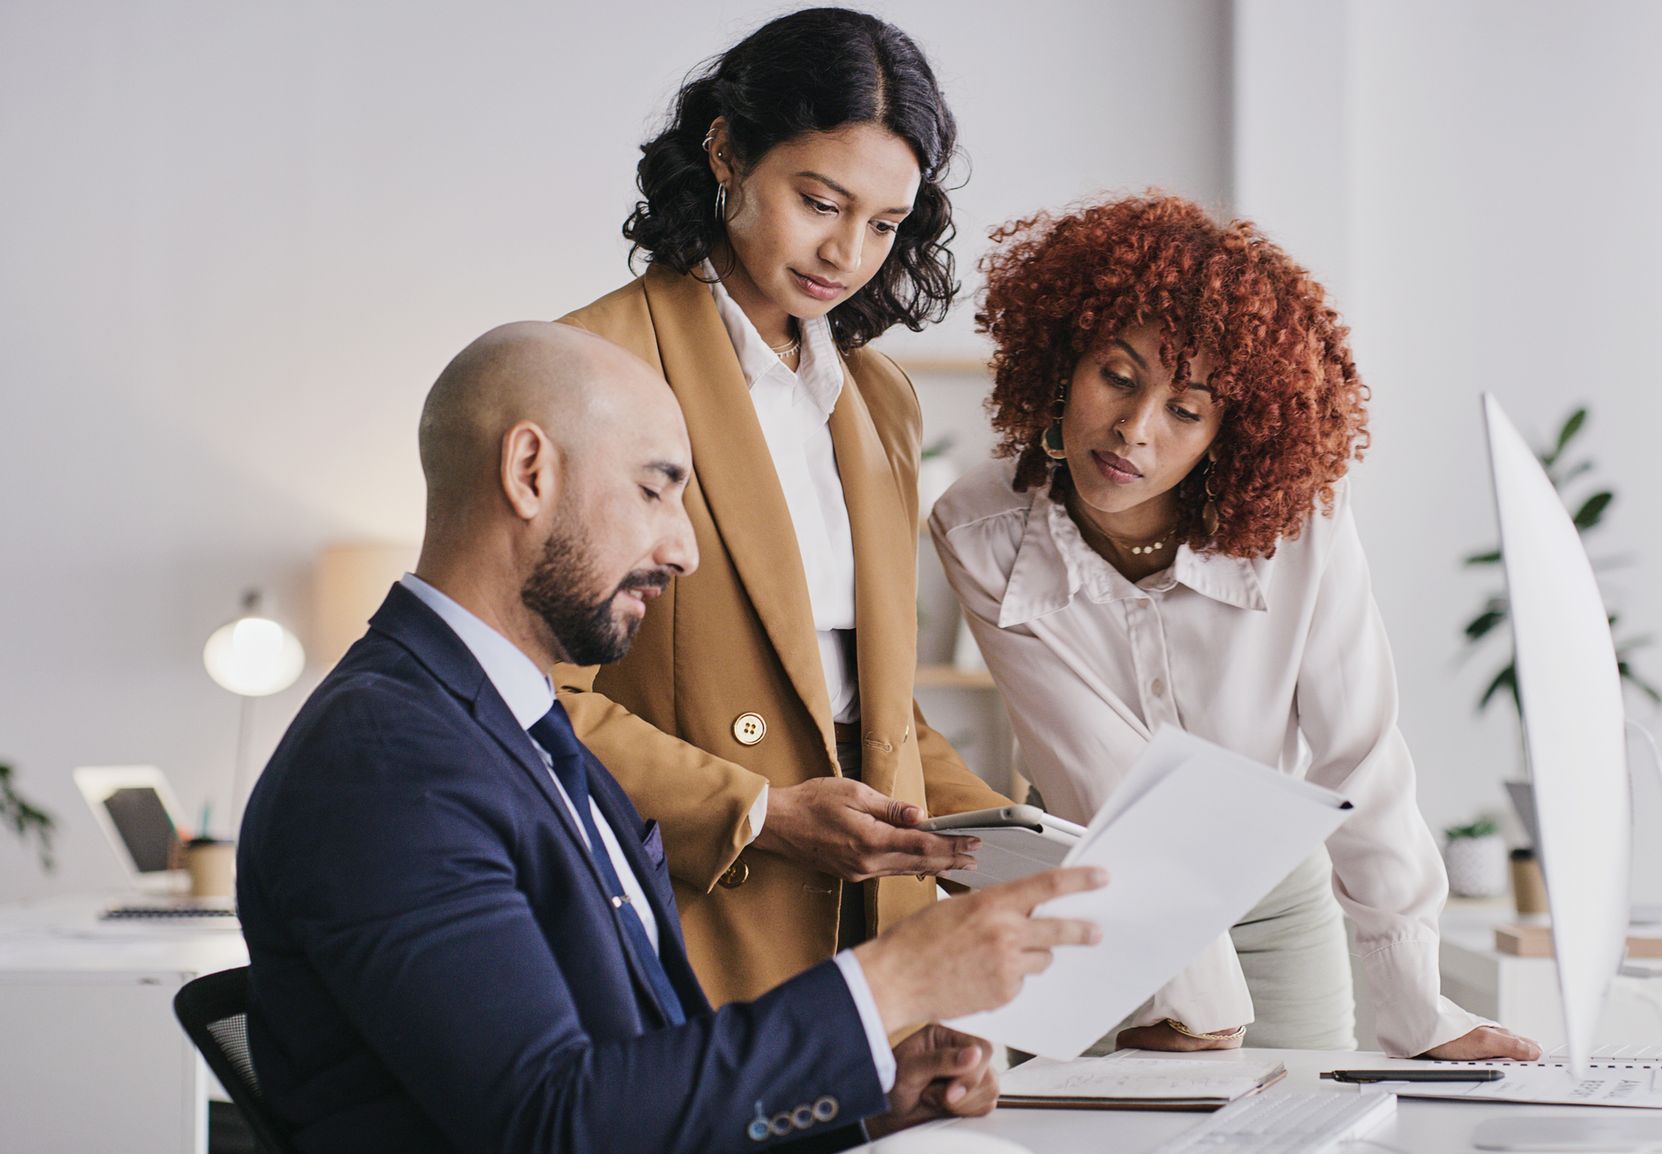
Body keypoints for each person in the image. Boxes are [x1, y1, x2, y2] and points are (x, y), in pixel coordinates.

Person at [236, 321, 1105, 1153]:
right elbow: (549, 1125)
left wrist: (863, 1110)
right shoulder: (386, 762)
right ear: (530, 471)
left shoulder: (520, 728)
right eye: (656, 489)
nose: (684, 549)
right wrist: (893, 986)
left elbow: (637, 1093)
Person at [929, 195, 1540, 1062]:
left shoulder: (1303, 525)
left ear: (1230, 431)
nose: (1133, 430)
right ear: (1065, 359)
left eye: (1186, 409)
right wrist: (1188, 1001)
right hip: (1093, 893)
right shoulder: (979, 528)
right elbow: (1093, 767)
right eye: (1118, 375)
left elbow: (1358, 754)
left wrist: (1417, 1008)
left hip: (1278, 901)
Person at [552, 7, 1009, 1008]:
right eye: (820, 201)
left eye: (885, 224)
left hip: (873, 917)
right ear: (725, 150)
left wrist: (1019, 843)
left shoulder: (879, 398)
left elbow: (868, 705)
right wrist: (757, 809)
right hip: (693, 907)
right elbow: (530, 696)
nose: (848, 252)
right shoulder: (597, 368)